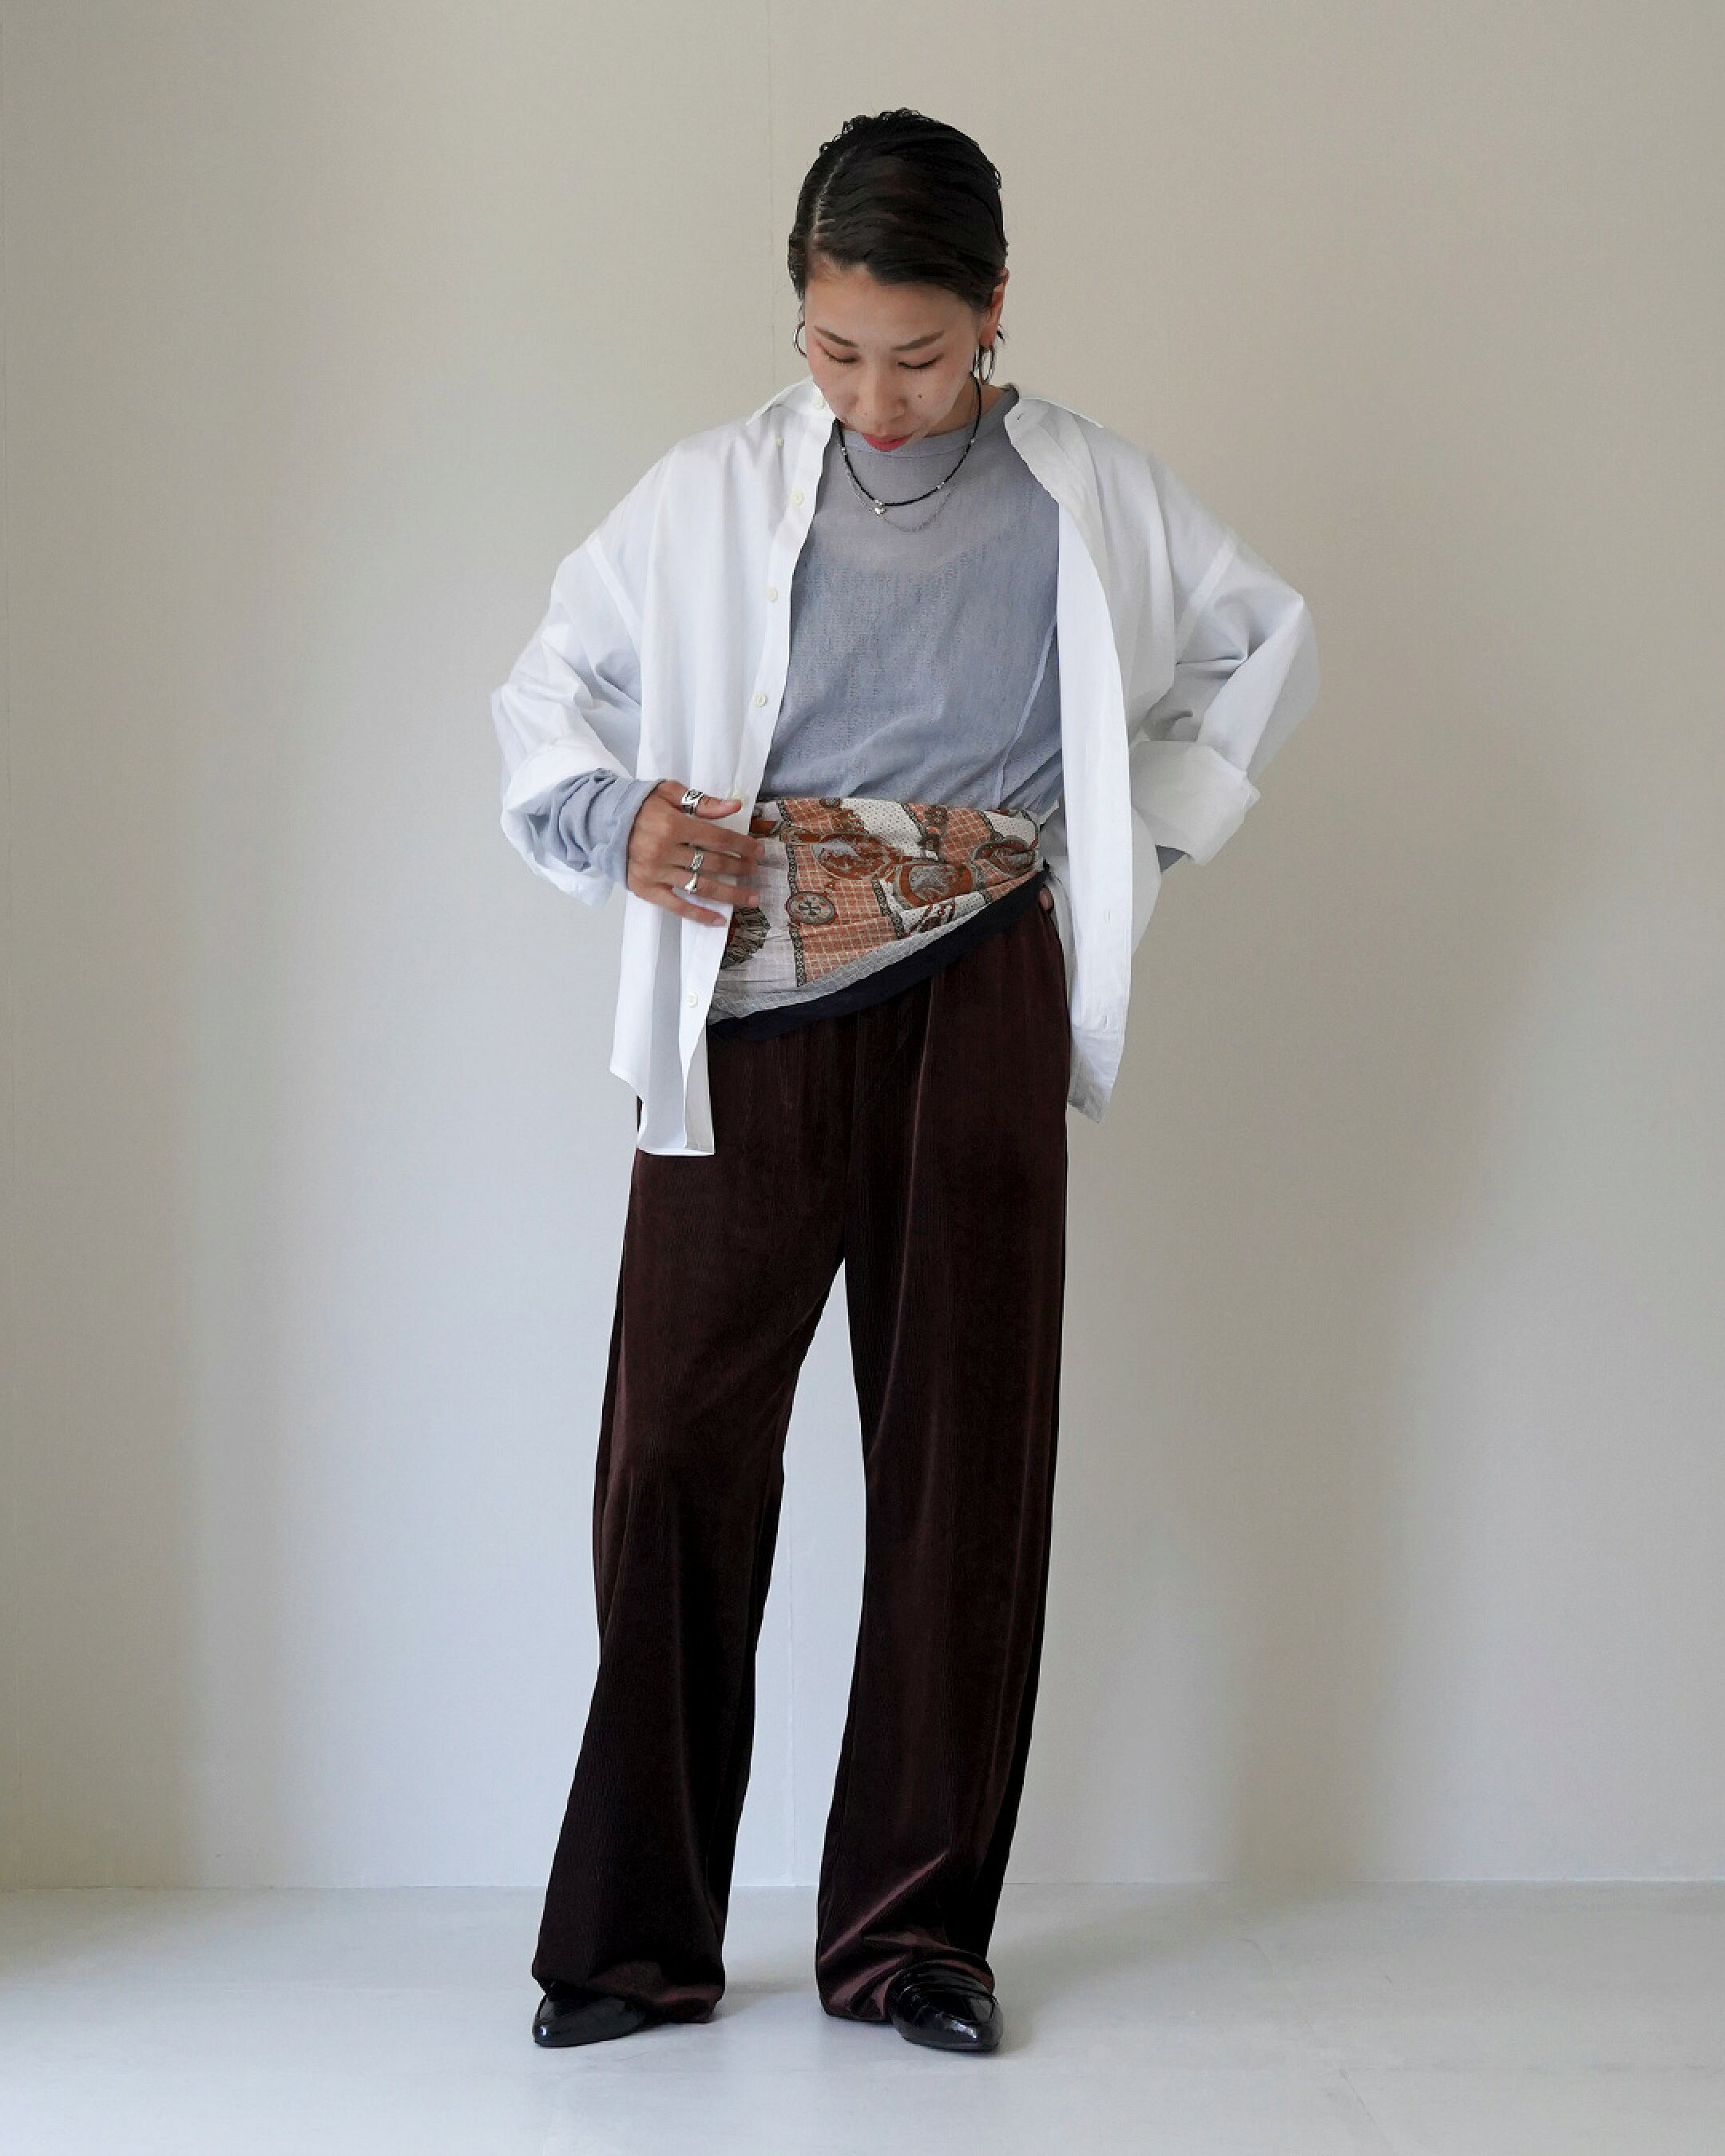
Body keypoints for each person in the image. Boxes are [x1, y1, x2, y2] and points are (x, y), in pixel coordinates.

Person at [489, 109, 1319, 2056]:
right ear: (799, 314)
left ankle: (913, 1939)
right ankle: (633, 1943)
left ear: (996, 311)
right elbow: (549, 690)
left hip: (980, 997)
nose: (876, 395)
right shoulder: (703, 491)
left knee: (961, 1464)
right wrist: (616, 820)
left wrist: (1117, 849)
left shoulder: (1091, 494)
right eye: (836, 347)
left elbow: (1263, 644)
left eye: (920, 355)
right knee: (675, 1459)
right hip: (746, 1007)